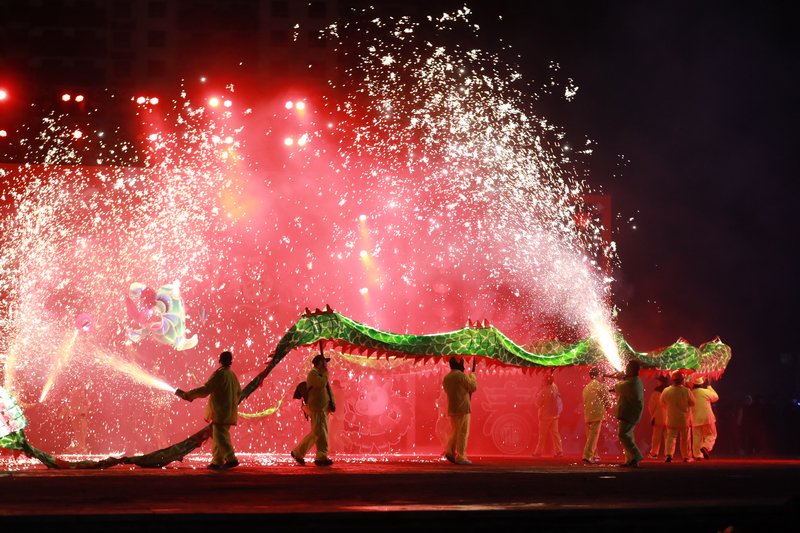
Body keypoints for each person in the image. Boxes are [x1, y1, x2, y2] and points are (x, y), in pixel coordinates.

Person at [176, 350, 242, 470]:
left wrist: (188, 395)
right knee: (218, 437)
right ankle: (217, 461)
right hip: (228, 412)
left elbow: (206, 389)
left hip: (220, 412)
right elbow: (239, 393)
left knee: (221, 437)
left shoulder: (219, 375)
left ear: (219, 361)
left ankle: (232, 459)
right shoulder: (232, 375)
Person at [291, 353, 336, 466]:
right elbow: (321, 384)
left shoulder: (320, 375)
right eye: (325, 362)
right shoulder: (313, 374)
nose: (326, 365)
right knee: (321, 434)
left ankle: (298, 452)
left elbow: (328, 391)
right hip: (318, 409)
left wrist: (332, 404)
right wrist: (326, 374)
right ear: (320, 363)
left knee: (316, 434)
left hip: (323, 409)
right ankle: (321, 457)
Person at [442, 356, 478, 465]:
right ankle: (461, 457)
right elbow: (473, 388)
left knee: (454, 431)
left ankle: (450, 452)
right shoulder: (462, 376)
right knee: (462, 433)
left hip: (452, 409)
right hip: (463, 409)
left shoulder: (446, 378)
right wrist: (473, 376)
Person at [611, 360, 645, 467]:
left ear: (630, 370)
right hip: (631, 413)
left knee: (623, 435)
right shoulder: (635, 380)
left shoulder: (631, 383)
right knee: (628, 436)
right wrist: (623, 378)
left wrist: (620, 378)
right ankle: (632, 461)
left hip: (629, 413)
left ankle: (636, 455)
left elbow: (618, 387)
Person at [660, 371, 697, 462]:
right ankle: (686, 456)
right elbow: (693, 403)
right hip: (684, 420)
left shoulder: (666, 390)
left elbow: (662, 403)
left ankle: (669, 454)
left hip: (671, 418)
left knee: (670, 437)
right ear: (682, 380)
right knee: (685, 439)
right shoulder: (686, 391)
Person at [582, 368, 612, 464]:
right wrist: (608, 406)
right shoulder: (600, 386)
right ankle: (587, 455)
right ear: (598, 375)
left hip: (588, 415)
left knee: (590, 436)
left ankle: (594, 455)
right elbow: (608, 401)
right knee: (593, 436)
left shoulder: (586, 388)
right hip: (597, 414)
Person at [534, 373, 563, 458]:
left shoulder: (544, 391)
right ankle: (559, 451)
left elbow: (538, 403)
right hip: (555, 416)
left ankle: (539, 452)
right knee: (555, 434)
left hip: (545, 417)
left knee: (542, 435)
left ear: (545, 382)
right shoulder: (555, 388)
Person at [690, 376, 719, 460]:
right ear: (701, 384)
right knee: (711, 435)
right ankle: (706, 447)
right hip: (707, 418)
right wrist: (710, 388)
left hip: (695, 419)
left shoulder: (690, 393)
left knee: (697, 438)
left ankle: (698, 455)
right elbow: (715, 397)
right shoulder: (705, 392)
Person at [648, 374, 670, 458]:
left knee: (656, 437)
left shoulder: (656, 394)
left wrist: (653, 415)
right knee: (668, 438)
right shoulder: (669, 393)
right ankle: (668, 454)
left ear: (660, 382)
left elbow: (651, 407)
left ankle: (654, 453)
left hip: (658, 418)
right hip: (669, 418)